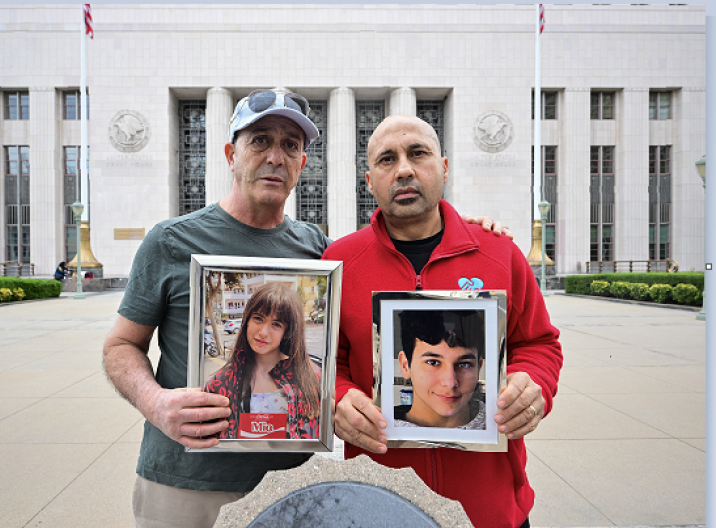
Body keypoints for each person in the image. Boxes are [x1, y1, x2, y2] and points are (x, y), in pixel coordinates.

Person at [103, 89, 512, 528]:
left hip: (291, 488)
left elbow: (341, 350)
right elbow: (121, 346)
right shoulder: (169, 242)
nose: (276, 156)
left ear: (302, 163)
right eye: (259, 140)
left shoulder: (319, 252)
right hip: (185, 483)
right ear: (230, 154)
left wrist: (464, 228)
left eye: (290, 146)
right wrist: (157, 403)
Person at [323, 114, 563, 528]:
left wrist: (534, 384)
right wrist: (339, 397)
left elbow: (539, 343)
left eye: (418, 153)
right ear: (369, 180)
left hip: (490, 510)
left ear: (444, 167)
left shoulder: (499, 253)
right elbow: (325, 362)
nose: (403, 169)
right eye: (386, 159)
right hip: (380, 505)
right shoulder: (340, 262)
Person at [205, 282, 320, 439]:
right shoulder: (222, 381)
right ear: (247, 321)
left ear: (287, 332)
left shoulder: (311, 377)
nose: (263, 332)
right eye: (258, 319)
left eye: (276, 324)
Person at [394, 310, 485, 430]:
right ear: (405, 365)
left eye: (464, 365)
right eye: (433, 362)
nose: (450, 383)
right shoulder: (377, 431)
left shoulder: (504, 426)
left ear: (479, 368)